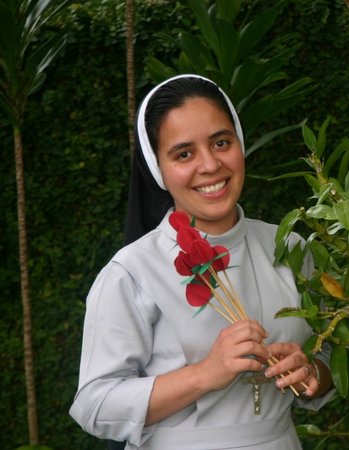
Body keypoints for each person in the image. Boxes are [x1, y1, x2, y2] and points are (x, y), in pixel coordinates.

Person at [70, 74, 334, 450]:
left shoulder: (290, 247)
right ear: (158, 169)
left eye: (221, 143)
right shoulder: (131, 272)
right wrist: (204, 374)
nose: (210, 165)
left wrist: (311, 371)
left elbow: (332, 354)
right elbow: (94, 405)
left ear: (240, 144)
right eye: (183, 154)